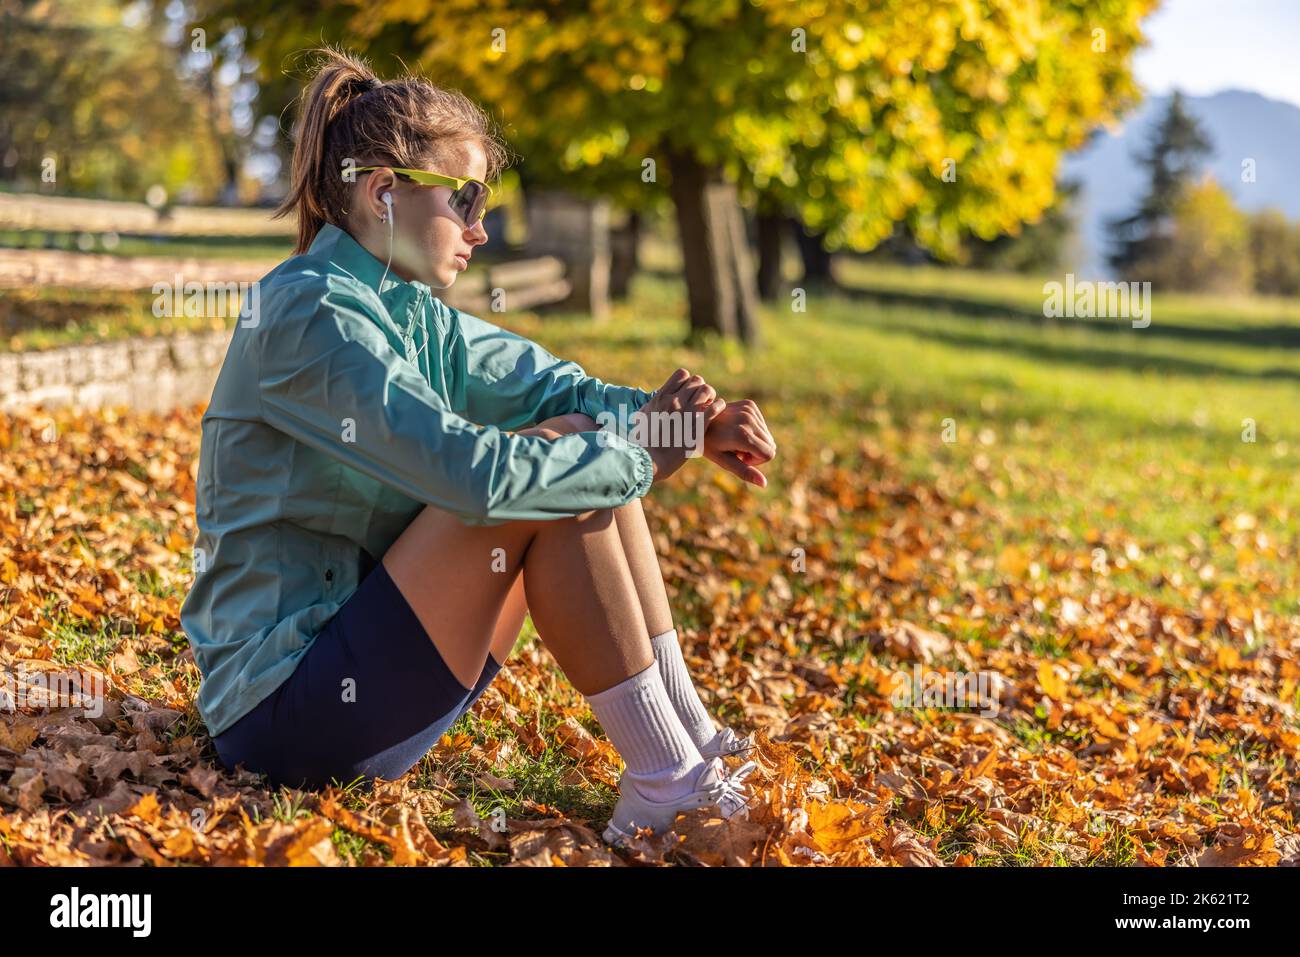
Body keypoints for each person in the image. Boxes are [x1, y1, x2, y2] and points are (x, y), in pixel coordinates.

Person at [179, 48, 778, 848]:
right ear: (384, 190)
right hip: (284, 719)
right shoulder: (308, 313)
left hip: (368, 678)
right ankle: (667, 786)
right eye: (464, 198)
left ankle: (691, 745)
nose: (480, 226)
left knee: (578, 443)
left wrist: (683, 429)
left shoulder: (411, 310)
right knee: (557, 468)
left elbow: (551, 388)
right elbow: (474, 479)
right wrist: (638, 456)